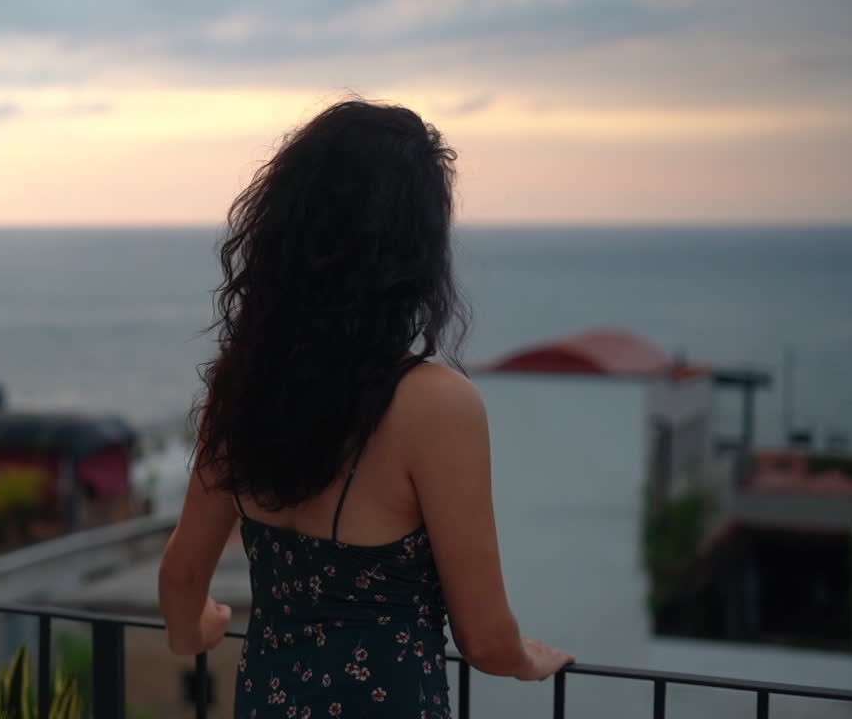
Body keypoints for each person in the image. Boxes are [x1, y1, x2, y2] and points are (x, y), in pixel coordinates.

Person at [159, 99, 574, 718]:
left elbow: (181, 580)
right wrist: (529, 659)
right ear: (413, 251)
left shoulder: (245, 386)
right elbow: (485, 641)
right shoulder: (435, 406)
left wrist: (199, 630)